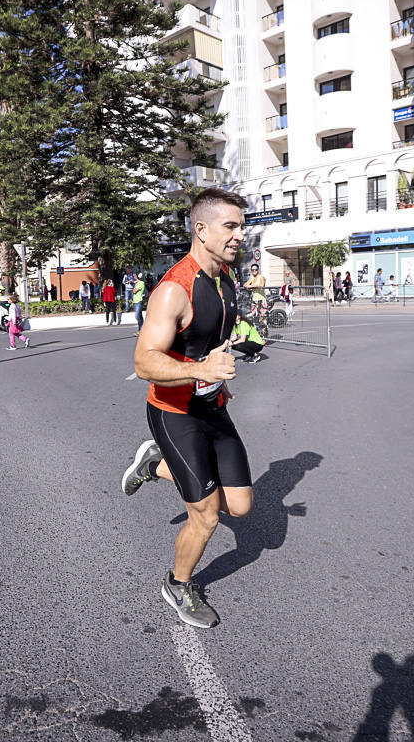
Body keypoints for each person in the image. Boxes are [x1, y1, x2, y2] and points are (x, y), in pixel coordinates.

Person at [123, 187, 253, 629]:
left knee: (241, 506)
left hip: (211, 406)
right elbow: (144, 361)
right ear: (201, 229)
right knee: (208, 514)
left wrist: (217, 368)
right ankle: (178, 583)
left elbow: (209, 340)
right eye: (230, 226)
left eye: (241, 226)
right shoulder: (172, 291)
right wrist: (201, 368)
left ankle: (155, 464)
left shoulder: (225, 279)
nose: (240, 235)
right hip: (173, 412)